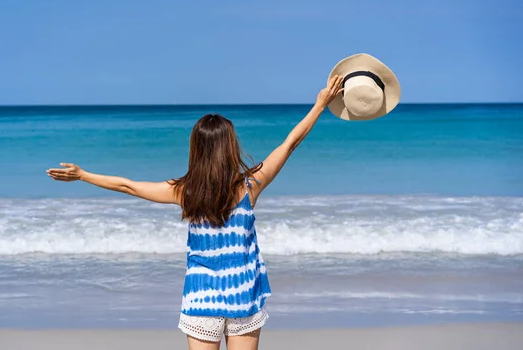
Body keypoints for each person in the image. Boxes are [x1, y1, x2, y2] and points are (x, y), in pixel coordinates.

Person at [46, 74, 345, 350]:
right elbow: (289, 144)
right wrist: (320, 105)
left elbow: (129, 186)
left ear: (196, 150)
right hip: (243, 297)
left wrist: (84, 175)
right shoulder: (249, 186)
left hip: (202, 299)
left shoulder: (184, 192)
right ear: (230, 147)